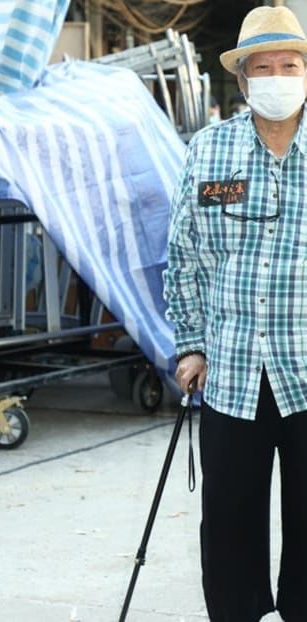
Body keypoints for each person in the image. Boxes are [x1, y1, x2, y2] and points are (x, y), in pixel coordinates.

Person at [164, 5, 307, 621]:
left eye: (289, 65)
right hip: (231, 372)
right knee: (227, 525)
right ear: (244, 82)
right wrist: (190, 344)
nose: (277, 76)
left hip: (306, 372)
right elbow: (183, 255)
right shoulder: (210, 151)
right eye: (263, 68)